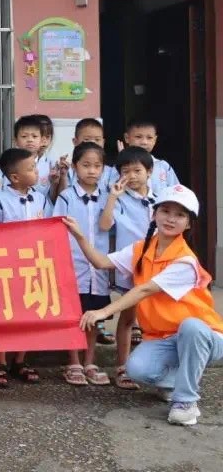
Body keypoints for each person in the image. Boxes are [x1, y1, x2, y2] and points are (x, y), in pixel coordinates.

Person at [65, 184, 223, 426]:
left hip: (205, 336)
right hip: (165, 337)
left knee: (191, 327)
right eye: (165, 211)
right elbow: (101, 262)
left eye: (180, 215)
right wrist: (78, 235)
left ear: (188, 224)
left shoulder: (185, 261)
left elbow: (145, 289)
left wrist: (103, 311)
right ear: (154, 213)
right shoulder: (142, 248)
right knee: (136, 369)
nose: (171, 219)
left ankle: (186, 402)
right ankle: (174, 383)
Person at [0, 148, 50, 386]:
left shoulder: (41, 199)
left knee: (30, 311)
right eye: (31, 169)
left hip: (34, 263)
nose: (36, 172)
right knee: (6, 312)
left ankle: (21, 359)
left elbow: (48, 229)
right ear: (14, 177)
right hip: (8, 266)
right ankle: (0, 361)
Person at [53, 141, 112, 386]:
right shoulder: (66, 197)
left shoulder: (108, 197)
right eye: (86, 165)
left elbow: (109, 227)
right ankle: (73, 361)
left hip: (97, 268)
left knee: (93, 317)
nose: (92, 171)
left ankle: (90, 361)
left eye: (97, 166)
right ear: (75, 167)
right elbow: (57, 229)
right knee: (73, 315)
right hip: (73, 265)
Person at [101, 146, 157, 390]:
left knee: (156, 318)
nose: (132, 176)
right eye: (126, 172)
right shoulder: (119, 200)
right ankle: (122, 367)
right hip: (132, 266)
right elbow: (105, 225)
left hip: (157, 267)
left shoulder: (160, 200)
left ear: (149, 171)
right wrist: (113, 197)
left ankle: (155, 366)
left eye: (137, 171)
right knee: (128, 318)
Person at [124, 119, 180, 194]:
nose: (144, 142)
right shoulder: (119, 167)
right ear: (127, 138)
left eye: (149, 138)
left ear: (155, 140)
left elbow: (177, 194)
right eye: (138, 137)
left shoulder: (163, 166)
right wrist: (123, 160)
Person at [66, 118, 117, 192]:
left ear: (103, 143)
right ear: (75, 141)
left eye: (97, 139)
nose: (92, 143)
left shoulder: (110, 172)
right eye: (86, 139)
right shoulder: (67, 171)